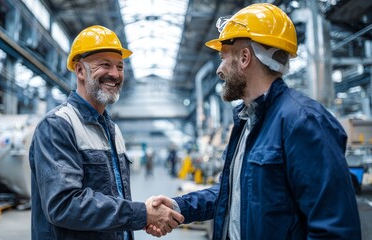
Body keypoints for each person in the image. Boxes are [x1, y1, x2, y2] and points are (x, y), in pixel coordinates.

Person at [147, 3, 361, 239]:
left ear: (245, 58)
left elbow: (334, 230)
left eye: (223, 58)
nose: (219, 70)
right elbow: (234, 192)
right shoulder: (247, 122)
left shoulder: (304, 121)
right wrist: (180, 206)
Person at [29, 25, 184, 240]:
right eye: (105, 65)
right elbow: (64, 204)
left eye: (120, 66)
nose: (115, 74)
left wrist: (143, 217)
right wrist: (142, 214)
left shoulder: (113, 129)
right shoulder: (58, 125)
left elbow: (116, 197)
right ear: (80, 70)